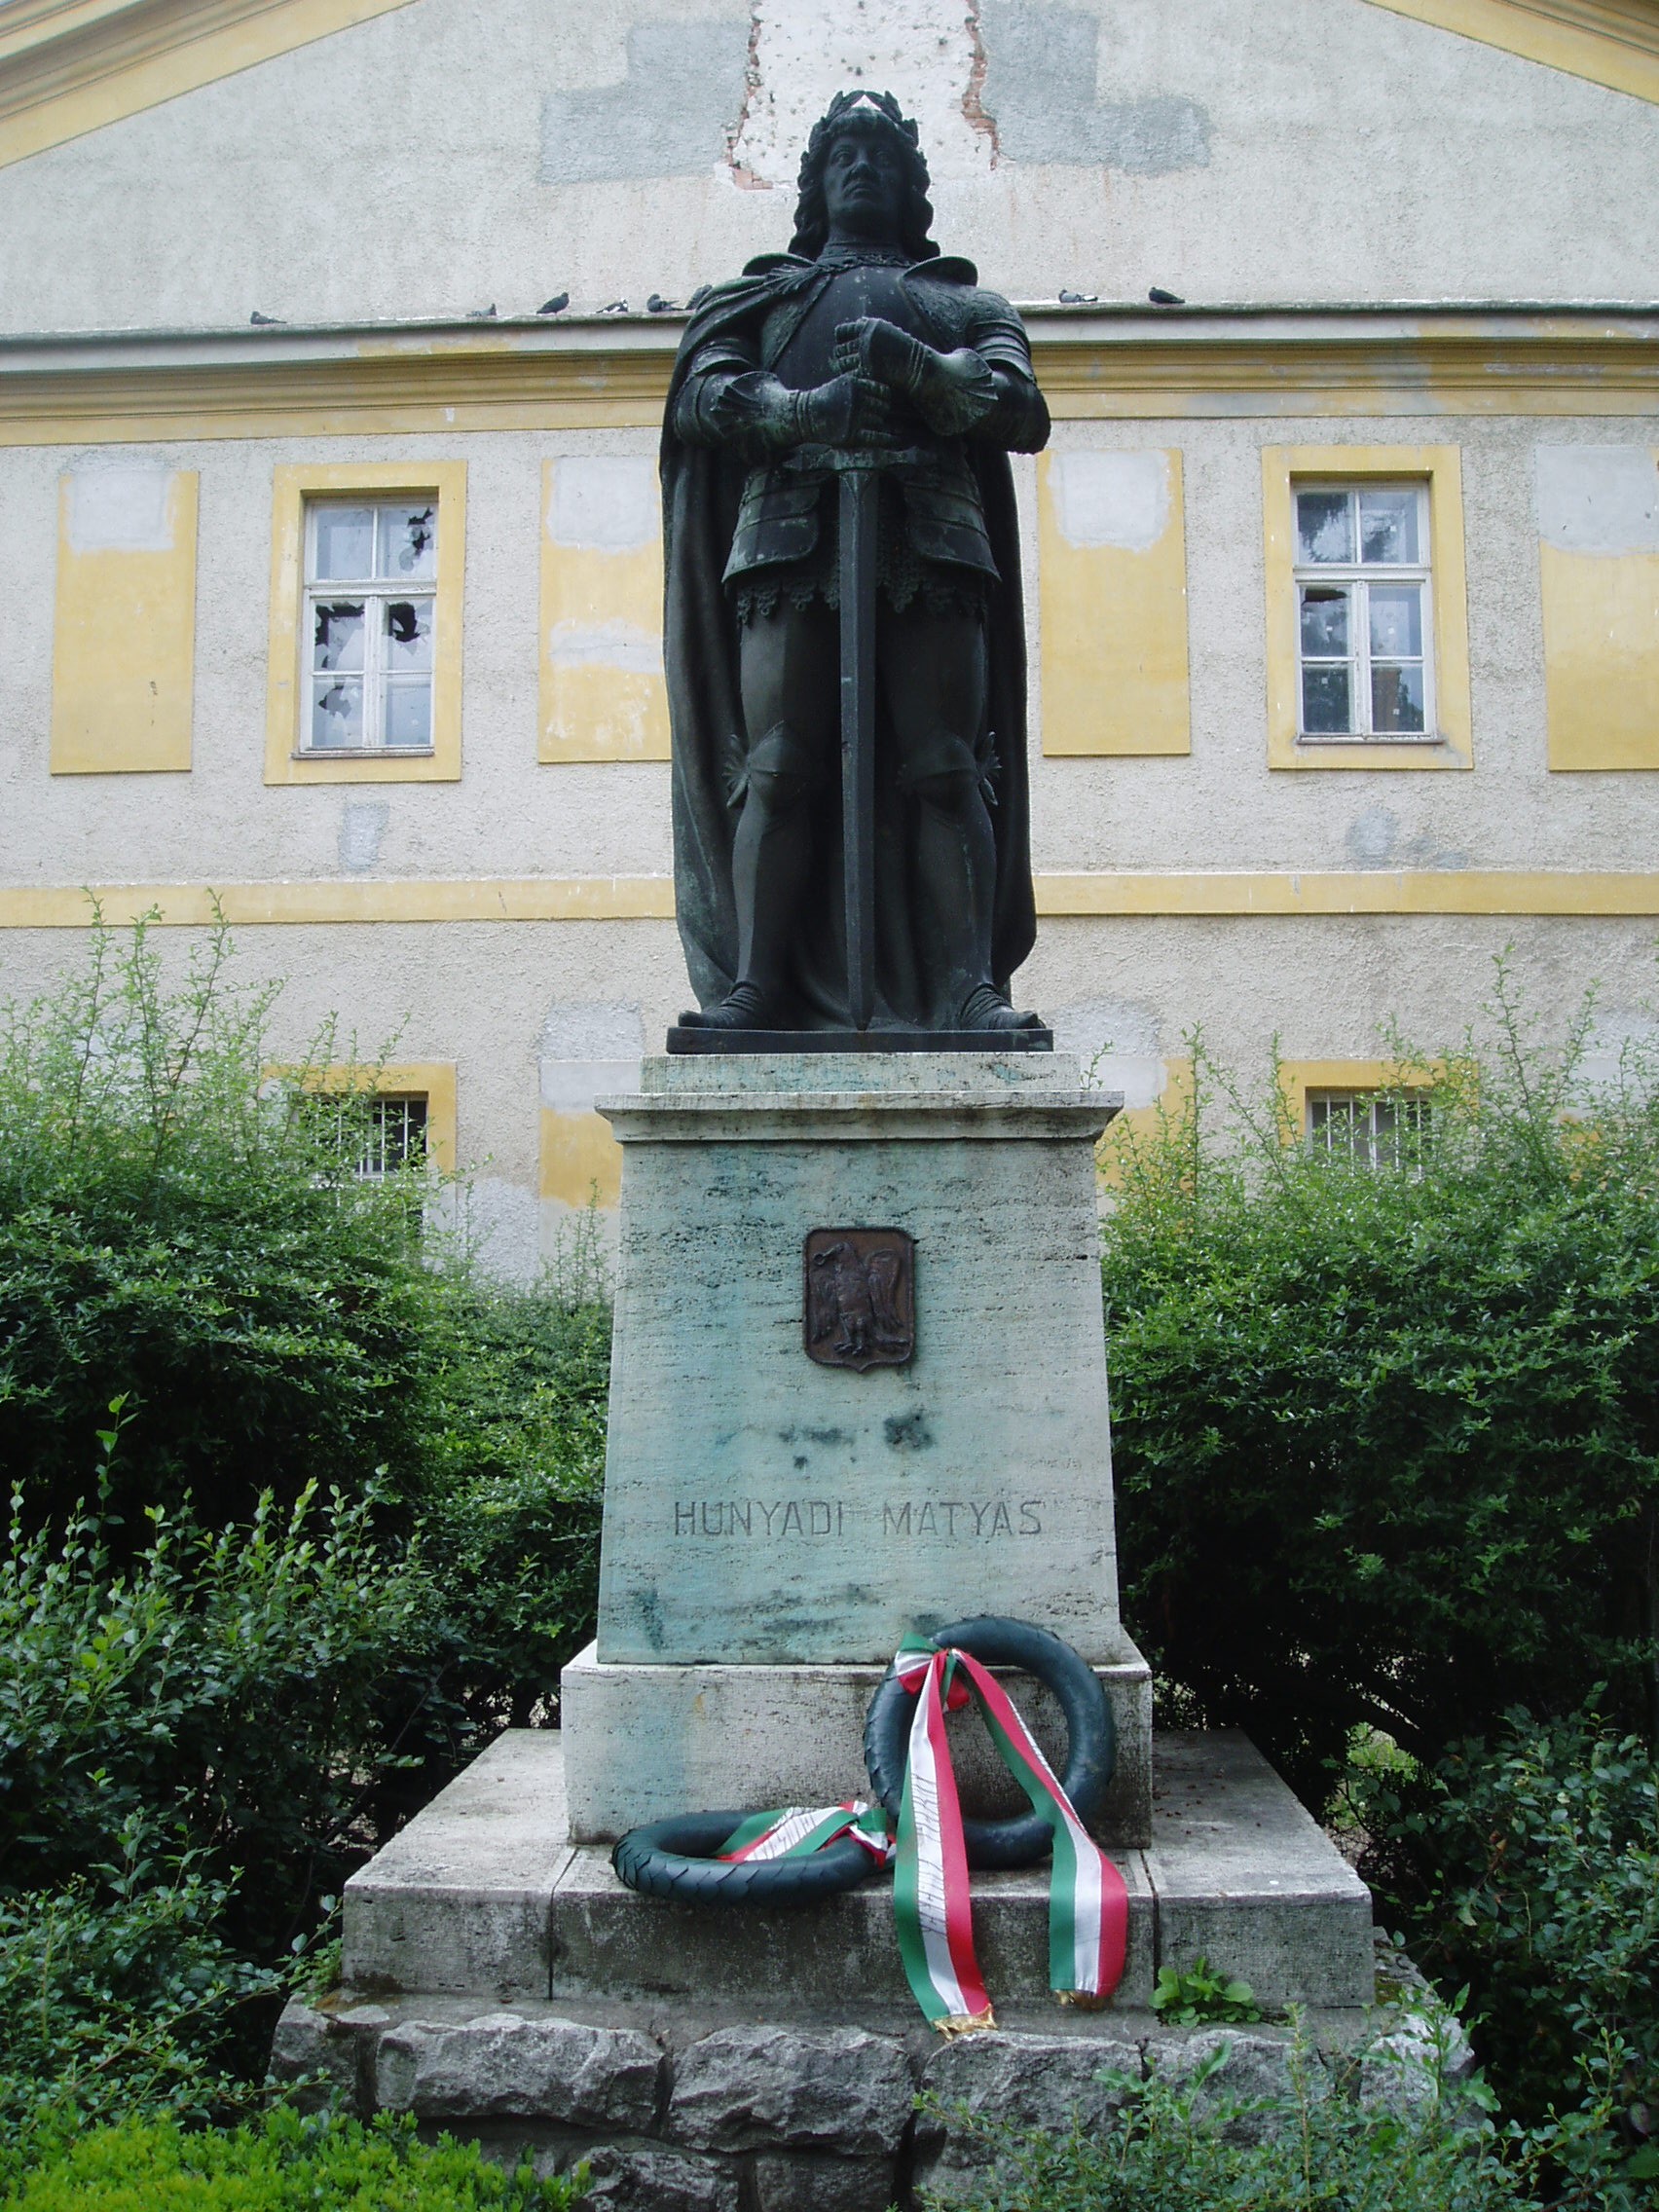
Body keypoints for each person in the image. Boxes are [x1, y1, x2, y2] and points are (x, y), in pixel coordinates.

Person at [662, 89, 1050, 1037]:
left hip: (934, 541)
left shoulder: (965, 303)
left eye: (882, 157)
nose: (863, 168)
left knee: (946, 766)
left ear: (913, 188)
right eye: (844, 156)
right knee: (778, 769)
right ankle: (757, 987)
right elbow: (704, 398)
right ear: (817, 186)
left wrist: (920, 367)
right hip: (786, 546)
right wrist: (803, 410)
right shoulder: (761, 299)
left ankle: (966, 988)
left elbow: (1019, 409)